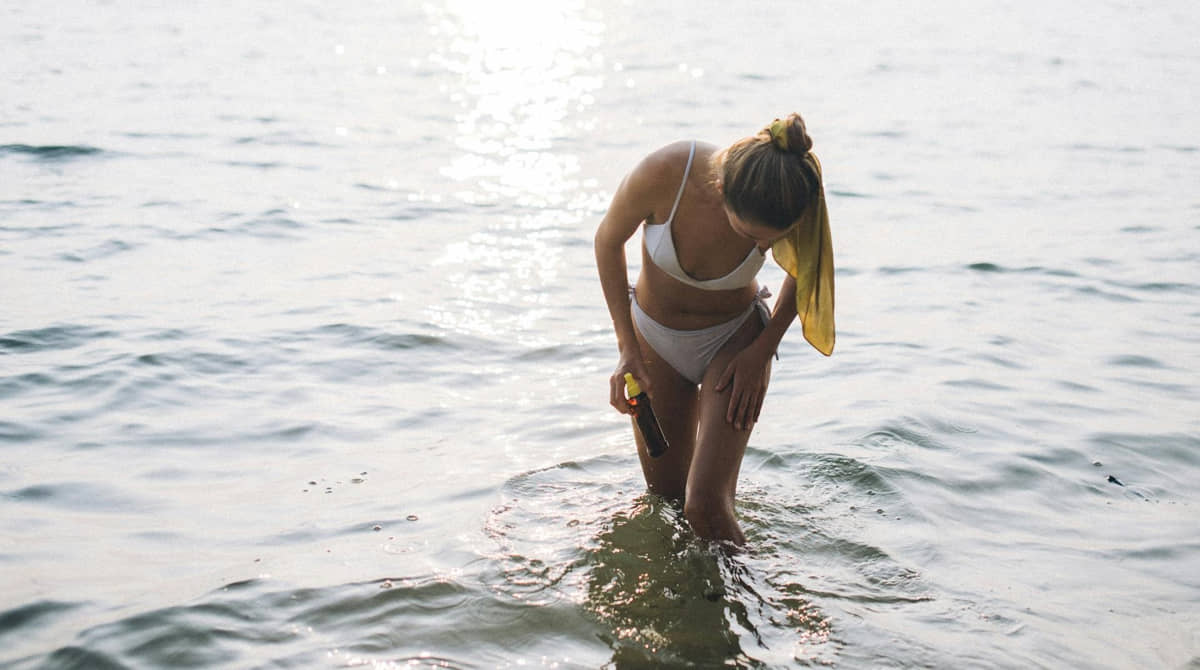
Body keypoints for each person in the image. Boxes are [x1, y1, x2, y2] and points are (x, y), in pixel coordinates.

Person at [594, 113, 835, 546]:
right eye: (750, 235)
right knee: (667, 502)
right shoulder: (667, 172)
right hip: (654, 342)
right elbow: (608, 240)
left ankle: (755, 603)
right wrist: (626, 348)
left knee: (704, 505)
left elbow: (808, 268)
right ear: (722, 191)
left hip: (734, 342)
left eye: (769, 242)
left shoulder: (792, 194)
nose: (760, 246)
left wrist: (763, 349)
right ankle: (692, 606)